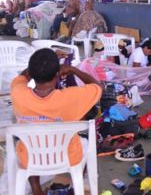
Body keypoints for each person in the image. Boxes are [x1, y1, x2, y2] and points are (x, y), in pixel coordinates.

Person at [11, 48, 102, 195]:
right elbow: (99, 87)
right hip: (67, 156)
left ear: (32, 74)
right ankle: (75, 185)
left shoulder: (17, 93)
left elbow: (22, 76)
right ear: (57, 75)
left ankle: (36, 188)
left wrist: (40, 65)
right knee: (88, 138)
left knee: (26, 140)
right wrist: (73, 70)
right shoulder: (70, 97)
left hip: (31, 157)